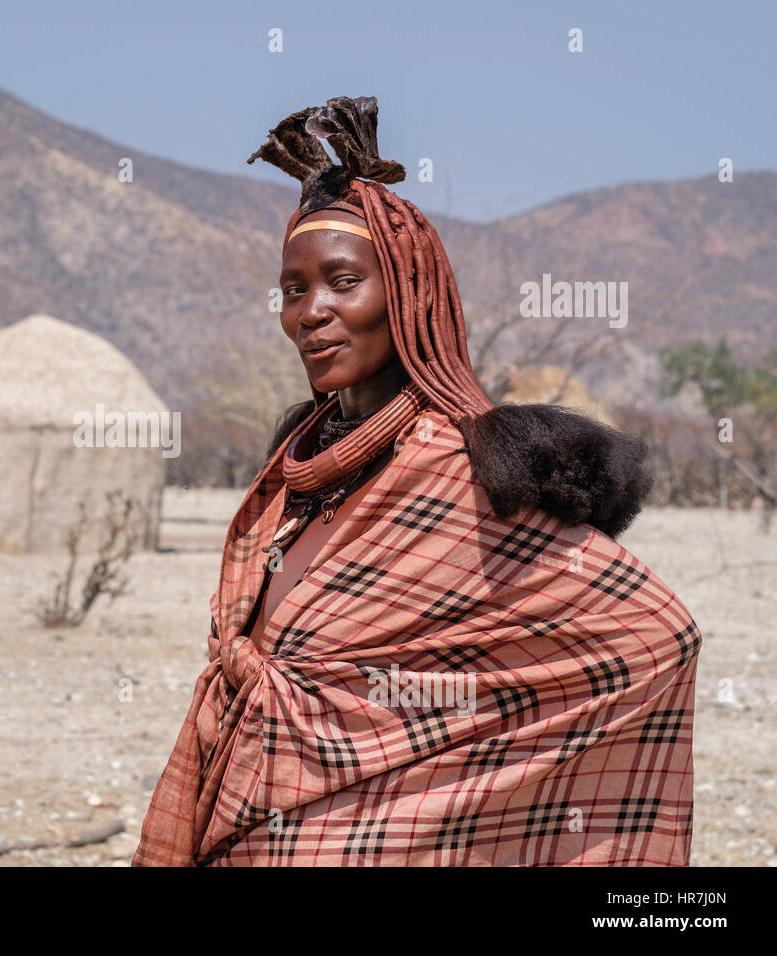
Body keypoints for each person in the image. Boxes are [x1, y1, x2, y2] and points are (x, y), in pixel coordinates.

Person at [132, 96, 700, 867]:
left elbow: (654, 633)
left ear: (406, 293)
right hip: (246, 799)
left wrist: (447, 800)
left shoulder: (454, 470)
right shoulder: (298, 457)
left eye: (342, 283)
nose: (312, 313)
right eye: (294, 289)